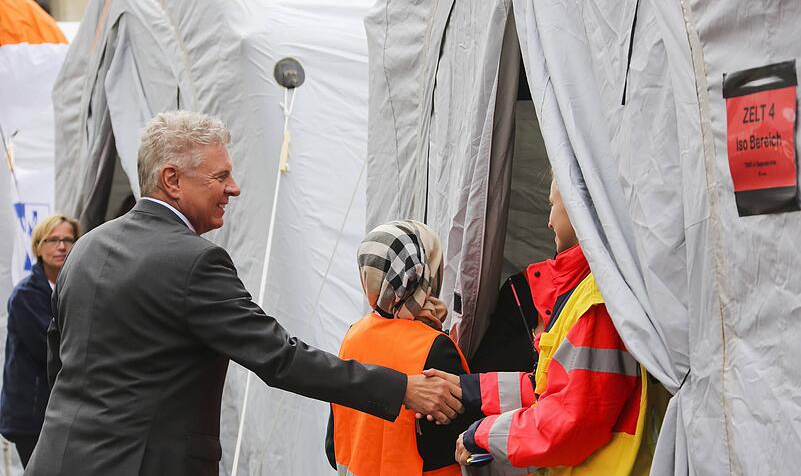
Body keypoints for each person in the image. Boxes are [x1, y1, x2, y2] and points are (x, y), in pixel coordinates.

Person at [26, 111, 462, 476]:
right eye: (221, 176)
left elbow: (58, 362)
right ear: (172, 179)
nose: (233, 188)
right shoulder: (195, 261)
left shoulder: (87, 248)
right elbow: (280, 358)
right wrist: (401, 388)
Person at [447, 177, 651, 475]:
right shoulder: (589, 290)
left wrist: (481, 434)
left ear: (577, 206)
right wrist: (467, 389)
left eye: (552, 205)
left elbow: (570, 424)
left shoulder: (596, 303)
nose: (549, 222)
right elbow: (546, 388)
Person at [327, 220, 481, 476]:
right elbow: (462, 442)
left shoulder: (354, 335)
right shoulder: (436, 347)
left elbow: (334, 445)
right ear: (424, 272)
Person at [0, 214, 80, 467]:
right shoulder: (26, 296)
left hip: (62, 412)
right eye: (53, 239)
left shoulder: (78, 287)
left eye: (68, 239)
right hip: (33, 416)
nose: (62, 246)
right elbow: (52, 350)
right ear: (37, 246)